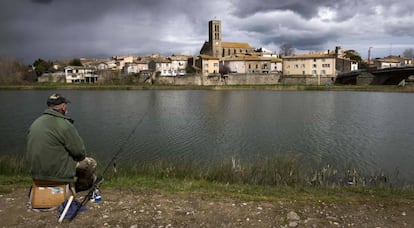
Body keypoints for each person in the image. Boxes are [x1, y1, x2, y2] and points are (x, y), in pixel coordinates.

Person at [26, 93, 96, 194]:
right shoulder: (64, 124)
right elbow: (80, 153)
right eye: (66, 105)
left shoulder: (36, 123)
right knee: (91, 163)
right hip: (57, 175)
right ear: (63, 106)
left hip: (36, 174)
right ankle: (80, 187)